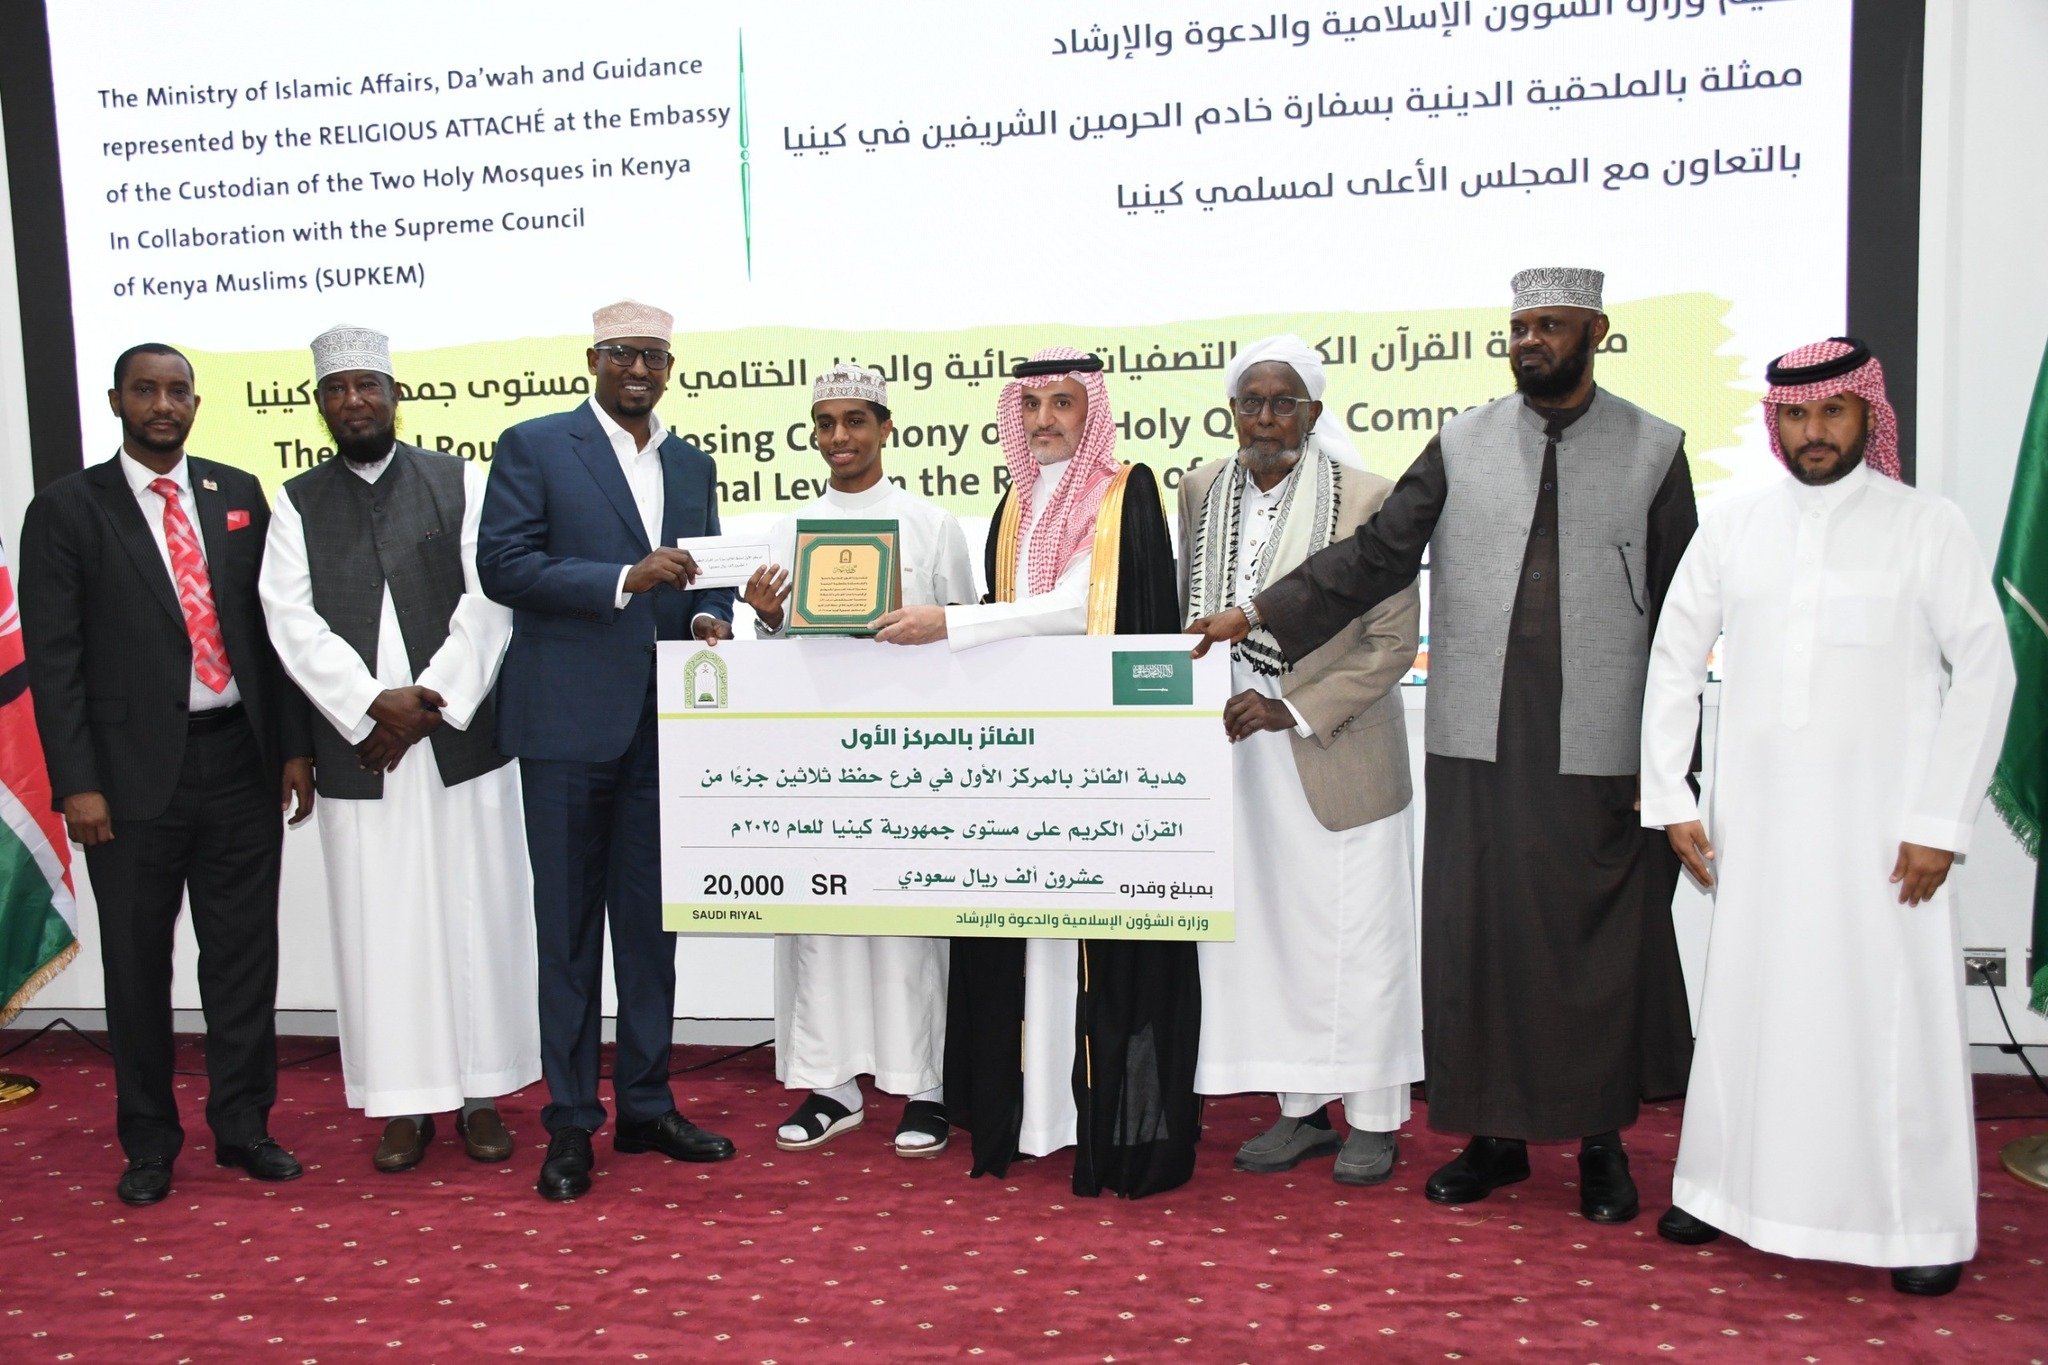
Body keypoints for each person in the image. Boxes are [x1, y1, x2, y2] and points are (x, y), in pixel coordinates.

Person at [1189, 269, 1697, 1222]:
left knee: (1593, 947)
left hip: (1600, 742)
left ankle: (1600, 1146)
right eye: (1519, 326)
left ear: (1595, 331)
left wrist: (1671, 766)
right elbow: (1377, 553)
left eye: (1551, 325)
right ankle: (1494, 1139)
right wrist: (1257, 611)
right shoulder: (1461, 443)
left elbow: (1681, 615)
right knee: (1483, 937)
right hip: (1480, 734)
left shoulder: (1655, 449)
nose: (1531, 340)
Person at [1640, 338, 2015, 1297]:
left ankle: (1918, 1218)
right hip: (1760, 828)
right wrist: (1673, 799)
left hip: (1887, 838)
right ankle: (1723, 1189)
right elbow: (1675, 660)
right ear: (1776, 422)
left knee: (1891, 1013)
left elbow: (1986, 670)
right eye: (1797, 417)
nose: (1814, 433)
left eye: (1833, 414)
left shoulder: (1925, 525)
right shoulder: (1735, 528)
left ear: (1865, 416)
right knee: (1753, 1001)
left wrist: (1942, 820)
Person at [871, 346, 1192, 1197]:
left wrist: (956, 625)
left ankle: (1103, 1130)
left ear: (1092, 413)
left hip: (1100, 761)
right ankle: (1029, 1119)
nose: (1047, 419)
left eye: (1063, 403)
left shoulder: (1128, 492)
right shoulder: (1015, 502)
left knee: (1095, 950)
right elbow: (1012, 617)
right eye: (1034, 405)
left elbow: (1079, 607)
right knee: (1020, 943)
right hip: (1024, 760)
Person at [18, 343, 315, 1206]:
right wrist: (77, 782)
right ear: (116, 400)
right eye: (145, 390)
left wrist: (291, 745)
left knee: (242, 959)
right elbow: (57, 660)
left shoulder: (238, 494)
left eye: (177, 390)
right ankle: (148, 1139)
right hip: (125, 780)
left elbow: (273, 635)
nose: (162, 403)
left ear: (195, 401)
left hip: (238, 760)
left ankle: (244, 1126)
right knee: (140, 968)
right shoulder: (68, 508)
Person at [258, 325, 539, 1172]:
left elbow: (492, 600)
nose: (354, 402)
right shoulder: (294, 502)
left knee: (476, 915)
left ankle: (483, 1091)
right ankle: (404, 1102)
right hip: (362, 747)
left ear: (393, 394)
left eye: (367, 387)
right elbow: (290, 620)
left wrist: (429, 702)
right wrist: (368, 705)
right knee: (381, 928)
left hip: (458, 738)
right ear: (320, 405)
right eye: (337, 390)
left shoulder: (463, 479)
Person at [478, 300, 737, 1200]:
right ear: (594, 358)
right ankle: (570, 1123)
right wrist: (625, 578)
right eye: (623, 354)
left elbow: (701, 584)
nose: (639, 369)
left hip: (664, 726)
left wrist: (710, 617)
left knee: (650, 927)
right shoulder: (535, 444)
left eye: (654, 357)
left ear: (670, 368)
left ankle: (646, 1102)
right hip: (565, 727)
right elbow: (504, 567)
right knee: (569, 932)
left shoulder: (692, 462)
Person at [1179, 336, 1424, 1186]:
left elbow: (1393, 644)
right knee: (1271, 938)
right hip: (1236, 756)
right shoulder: (1201, 490)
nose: (1266, 418)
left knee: (1358, 939)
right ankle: (1298, 1111)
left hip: (1335, 748)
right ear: (1232, 410)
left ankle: (1374, 1118)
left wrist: (1290, 707)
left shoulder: (1368, 498)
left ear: (1315, 413)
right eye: (1251, 401)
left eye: (1285, 402)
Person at [740, 362, 977, 1157]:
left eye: (855, 421)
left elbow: (968, 631)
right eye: (826, 423)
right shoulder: (787, 528)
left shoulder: (931, 523)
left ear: (885, 427)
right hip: (817, 756)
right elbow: (772, 648)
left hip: (910, 752)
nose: (840, 438)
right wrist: (768, 620)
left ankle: (926, 1089)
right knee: (825, 922)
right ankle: (830, 1084)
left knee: (911, 924)